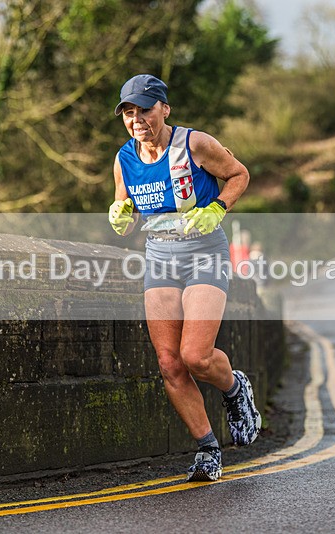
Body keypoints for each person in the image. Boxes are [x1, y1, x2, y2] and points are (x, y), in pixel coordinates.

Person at [108, 74, 260, 482]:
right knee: (169, 362)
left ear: (164, 108)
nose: (137, 119)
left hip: (204, 251)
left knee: (196, 356)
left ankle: (233, 388)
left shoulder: (195, 144)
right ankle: (208, 450)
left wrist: (219, 208)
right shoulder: (125, 159)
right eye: (128, 112)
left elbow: (239, 174)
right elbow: (127, 210)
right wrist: (120, 215)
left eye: (144, 109)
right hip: (159, 255)